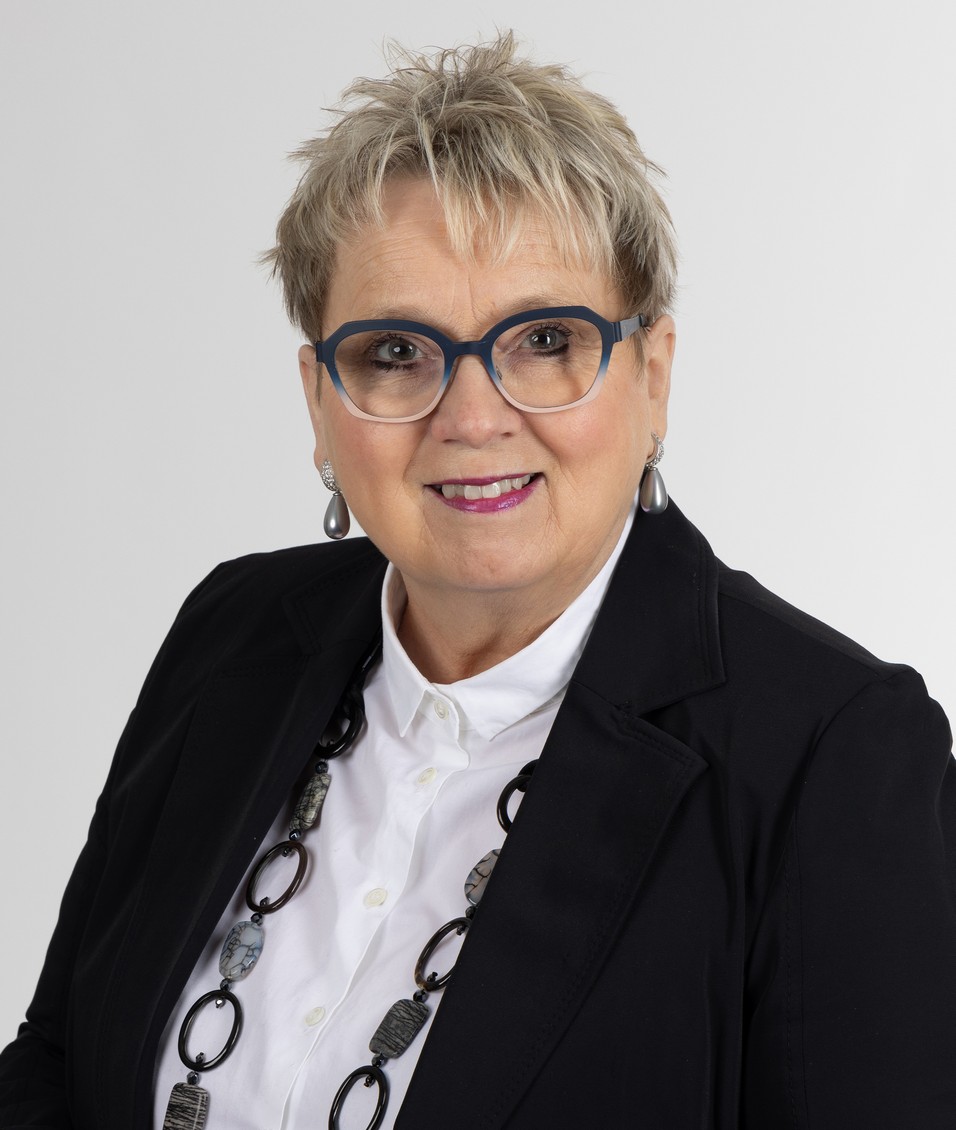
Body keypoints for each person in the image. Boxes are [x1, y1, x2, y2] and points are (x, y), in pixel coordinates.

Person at [1, 32, 954, 1130]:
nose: (471, 415)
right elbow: (58, 1062)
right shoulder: (232, 633)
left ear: (651, 377)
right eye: (395, 352)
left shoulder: (834, 755)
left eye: (544, 339)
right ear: (320, 401)